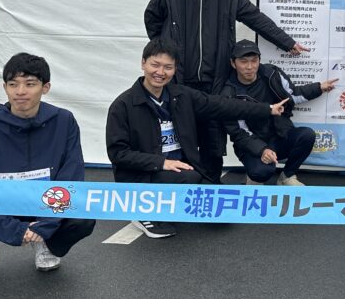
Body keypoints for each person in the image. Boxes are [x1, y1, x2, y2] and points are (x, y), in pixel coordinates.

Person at [144, 0, 308, 180]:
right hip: (179, 80)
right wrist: (166, 52)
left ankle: (211, 186)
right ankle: (183, 184)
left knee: (212, 139)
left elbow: (257, 19)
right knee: (181, 135)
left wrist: (287, 42)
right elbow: (152, 19)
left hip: (215, 83)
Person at [0, 53, 95, 289]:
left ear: (45, 87)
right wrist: (14, 230)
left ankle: (48, 244)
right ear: (4, 87)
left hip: (44, 206)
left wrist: (46, 225)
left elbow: (71, 176)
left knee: (83, 218)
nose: (20, 91)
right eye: (13, 84)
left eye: (30, 84)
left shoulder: (64, 122)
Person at [106, 38, 283, 239]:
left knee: (223, 212)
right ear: (143, 63)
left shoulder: (181, 95)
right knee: (188, 178)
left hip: (183, 170)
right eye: (155, 65)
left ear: (175, 69)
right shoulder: (123, 105)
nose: (160, 72)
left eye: (168, 67)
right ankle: (142, 211)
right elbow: (118, 153)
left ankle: (172, 202)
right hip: (143, 176)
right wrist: (161, 163)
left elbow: (223, 105)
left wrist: (267, 109)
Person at [221, 39, 337, 186]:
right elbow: (239, 133)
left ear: (259, 60)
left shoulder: (271, 73)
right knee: (260, 173)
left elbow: (293, 94)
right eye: (243, 62)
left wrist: (319, 87)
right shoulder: (228, 94)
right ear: (233, 63)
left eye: (254, 61)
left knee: (307, 135)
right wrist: (262, 150)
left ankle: (287, 176)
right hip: (251, 144)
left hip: (279, 135)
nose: (250, 67)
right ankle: (253, 177)